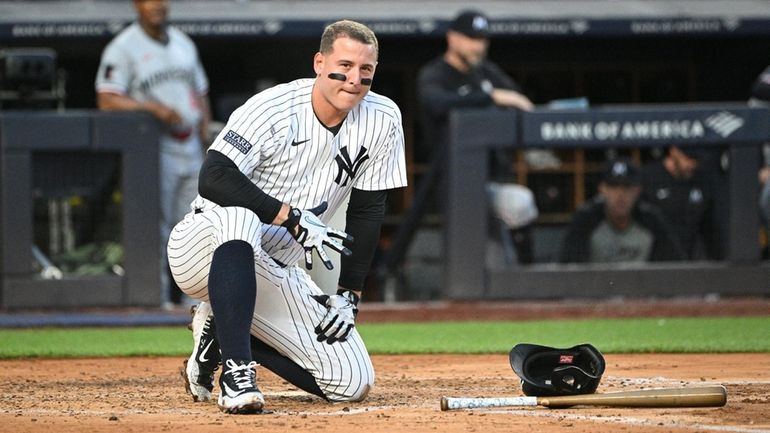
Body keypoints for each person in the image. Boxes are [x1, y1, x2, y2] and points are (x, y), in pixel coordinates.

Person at [167, 20, 406, 414]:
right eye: (344, 65)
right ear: (319, 62)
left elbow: (367, 209)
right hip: (202, 249)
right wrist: (290, 216)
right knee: (240, 217)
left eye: (366, 70)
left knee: (352, 382)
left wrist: (350, 294)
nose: (354, 79)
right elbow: (214, 177)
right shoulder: (273, 108)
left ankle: (222, 335)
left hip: (272, 268)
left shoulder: (383, 118)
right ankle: (237, 373)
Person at [95, 0, 210, 309]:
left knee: (197, 226)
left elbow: (200, 94)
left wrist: (205, 137)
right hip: (153, 150)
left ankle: (194, 300)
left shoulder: (183, 43)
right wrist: (151, 108)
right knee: (157, 227)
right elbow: (107, 99)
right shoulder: (123, 47)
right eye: (151, 0)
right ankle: (156, 300)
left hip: (190, 148)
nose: (159, 5)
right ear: (137, 5)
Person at [416, 9, 538, 264]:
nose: (478, 46)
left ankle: (528, 277)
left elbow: (516, 97)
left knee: (518, 208)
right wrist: (490, 97)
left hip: (493, 178)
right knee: (479, 265)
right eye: (471, 38)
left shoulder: (485, 73)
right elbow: (434, 102)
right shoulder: (436, 73)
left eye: (482, 40)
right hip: (452, 181)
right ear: (452, 38)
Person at [559, 158, 684, 263]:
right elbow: (568, 267)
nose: (620, 195)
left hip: (642, 290)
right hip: (597, 289)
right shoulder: (586, 219)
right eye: (613, 187)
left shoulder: (651, 220)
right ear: (602, 189)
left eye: (627, 187)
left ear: (637, 190)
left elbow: (673, 267)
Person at [640, 146, 720, 260]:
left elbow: (710, 230)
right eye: (688, 158)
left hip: (689, 260)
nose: (692, 164)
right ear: (673, 151)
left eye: (696, 160)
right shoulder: (649, 177)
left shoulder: (702, 179)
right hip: (654, 260)